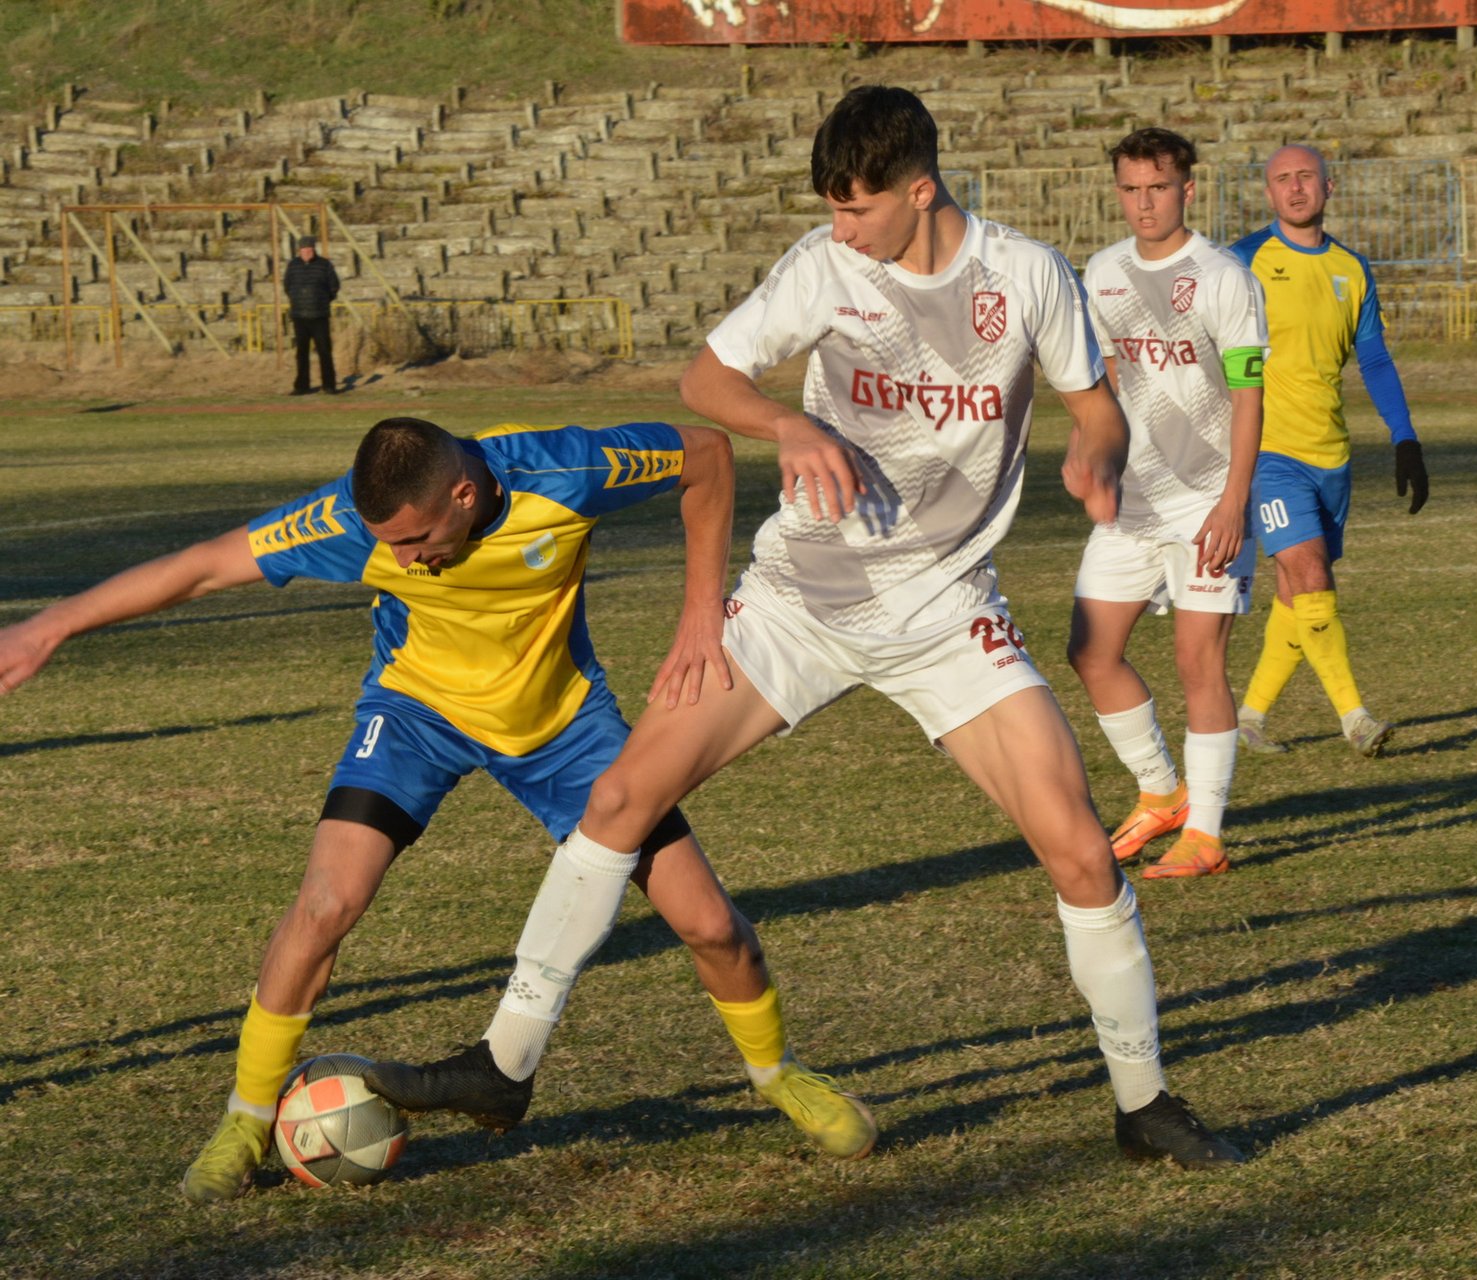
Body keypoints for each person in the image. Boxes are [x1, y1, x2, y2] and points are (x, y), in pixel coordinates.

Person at [374, 86, 1244, 1169]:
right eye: (831, 209)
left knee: (1077, 847)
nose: (842, 229)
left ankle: (1144, 1102)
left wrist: (1096, 451)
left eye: (860, 209)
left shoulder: (1026, 278)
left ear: (920, 190)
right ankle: (504, 1064)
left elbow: (1098, 406)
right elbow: (706, 375)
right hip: (801, 598)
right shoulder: (822, 268)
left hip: (945, 606)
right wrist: (785, 420)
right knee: (621, 796)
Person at [0, 415, 874, 1204]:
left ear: (465, 492)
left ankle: (777, 1075)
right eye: (394, 548)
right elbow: (198, 568)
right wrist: (48, 629)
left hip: (564, 730)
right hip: (413, 717)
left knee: (711, 925)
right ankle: (242, 1120)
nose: (407, 560)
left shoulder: (564, 471)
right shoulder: (351, 522)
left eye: (417, 541)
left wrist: (698, 614)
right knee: (325, 903)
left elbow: (707, 455)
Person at [1065, 128, 1267, 881]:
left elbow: (1250, 395)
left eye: (1158, 187)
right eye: (1130, 189)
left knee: (1197, 662)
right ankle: (1161, 790)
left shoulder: (1223, 277)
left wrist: (1234, 502)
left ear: (1188, 188)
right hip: (1135, 499)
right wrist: (1086, 451)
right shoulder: (1105, 271)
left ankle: (1206, 836)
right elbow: (1105, 378)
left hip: (1209, 500)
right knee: (1090, 650)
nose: (1143, 204)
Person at [1227, 145, 1429, 759]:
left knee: (1299, 594)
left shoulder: (1353, 268)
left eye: (1305, 177)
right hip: (1266, 452)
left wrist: (1406, 438)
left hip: (1331, 455)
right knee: (1310, 573)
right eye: (1282, 179)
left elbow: (1372, 358)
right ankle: (1355, 718)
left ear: (1328, 187)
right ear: (1268, 193)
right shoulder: (1241, 261)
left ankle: (1248, 716)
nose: (1294, 188)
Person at [284, 234, 340, 396]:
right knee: (301, 352)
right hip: (299, 316)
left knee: (324, 351)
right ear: (299, 251)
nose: (307, 252)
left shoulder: (325, 265)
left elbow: (334, 286)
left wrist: (323, 300)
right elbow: (287, 286)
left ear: (314, 250)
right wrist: (297, 300)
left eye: (309, 249)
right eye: (304, 249)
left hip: (320, 315)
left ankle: (329, 385)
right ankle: (302, 386)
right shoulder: (293, 266)